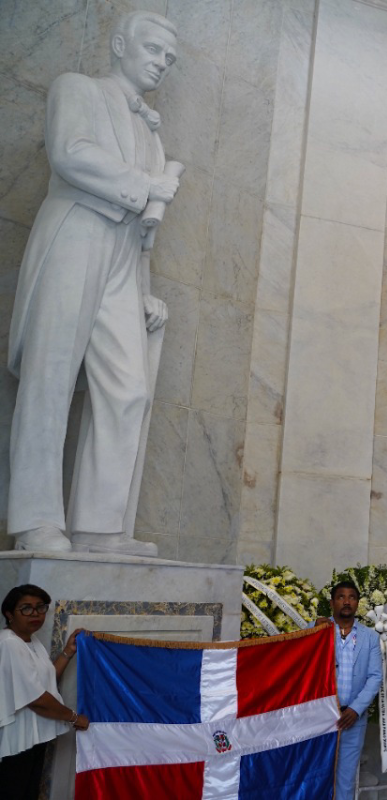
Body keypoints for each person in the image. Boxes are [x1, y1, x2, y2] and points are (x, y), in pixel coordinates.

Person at [7, 10, 182, 555]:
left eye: (169, 59)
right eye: (153, 50)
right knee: (49, 376)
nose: (160, 64)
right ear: (120, 44)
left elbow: (143, 230)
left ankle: (99, 527)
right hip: (75, 233)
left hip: (123, 259)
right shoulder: (76, 88)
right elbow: (70, 154)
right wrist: (149, 183)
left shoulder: (153, 135)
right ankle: (35, 520)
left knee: (128, 388)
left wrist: (143, 289)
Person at [1, 585, 89, 799]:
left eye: (41, 608)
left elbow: (45, 680)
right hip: (14, 741)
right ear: (9, 614)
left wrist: (68, 651)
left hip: (31, 740)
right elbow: (37, 699)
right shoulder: (9, 644)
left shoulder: (30, 641)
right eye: (27, 609)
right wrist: (74, 717)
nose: (36, 614)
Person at [312, 581, 382, 800]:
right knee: (315, 774)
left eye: (351, 597)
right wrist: (312, 632)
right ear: (332, 602)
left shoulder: (370, 637)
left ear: (357, 604)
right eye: (341, 597)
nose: (346, 601)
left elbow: (375, 677)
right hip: (319, 717)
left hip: (352, 718)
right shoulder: (317, 629)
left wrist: (355, 709)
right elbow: (300, 664)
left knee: (346, 778)